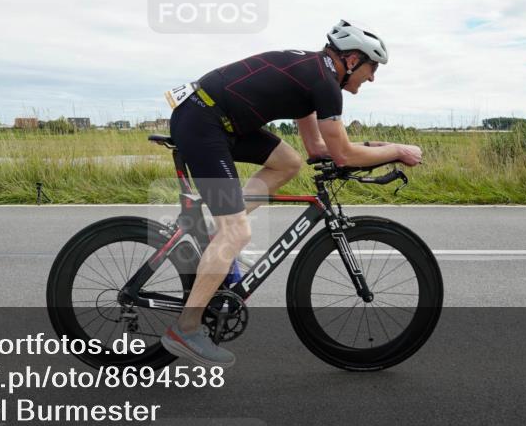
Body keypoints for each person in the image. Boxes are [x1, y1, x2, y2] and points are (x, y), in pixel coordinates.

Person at [159, 20, 423, 367]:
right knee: (236, 232)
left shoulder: (315, 74)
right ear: (354, 60)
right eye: (373, 69)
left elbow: (317, 148)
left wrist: (378, 147)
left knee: (289, 162)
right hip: (203, 121)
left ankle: (214, 228)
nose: (372, 78)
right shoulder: (324, 82)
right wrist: (397, 150)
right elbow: (342, 153)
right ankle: (186, 328)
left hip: (215, 119)